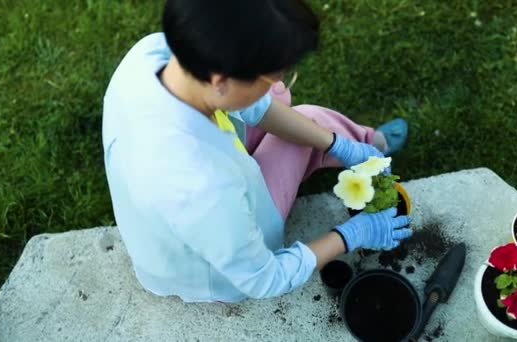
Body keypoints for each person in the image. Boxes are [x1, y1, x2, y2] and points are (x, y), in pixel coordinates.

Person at [102, 0, 411, 303]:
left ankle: (362, 144)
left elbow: (258, 105)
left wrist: (336, 144)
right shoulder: (202, 187)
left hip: (185, 213)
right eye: (272, 75)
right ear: (221, 80)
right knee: (309, 117)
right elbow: (264, 278)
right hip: (216, 266)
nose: (275, 82)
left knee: (281, 100)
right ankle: (372, 143)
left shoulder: (153, 55)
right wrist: (352, 234)